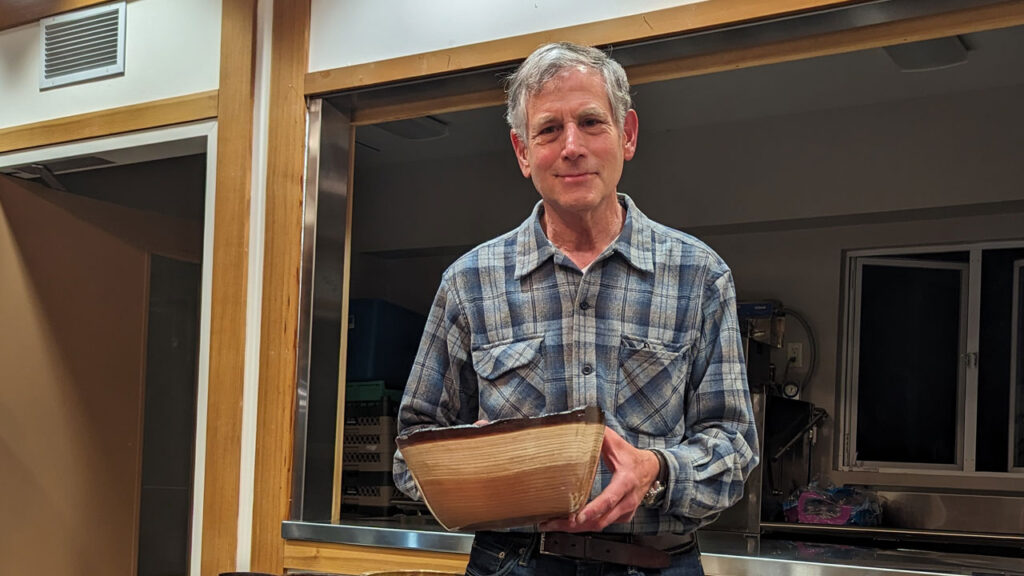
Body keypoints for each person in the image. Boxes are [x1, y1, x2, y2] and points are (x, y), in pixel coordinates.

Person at [393, 41, 759, 576]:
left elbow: (733, 448)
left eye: (591, 122)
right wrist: (485, 471)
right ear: (522, 151)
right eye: (548, 130)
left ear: (627, 134)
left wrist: (655, 471)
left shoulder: (699, 276)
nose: (571, 146)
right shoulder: (468, 284)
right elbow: (413, 453)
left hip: (656, 563)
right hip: (512, 563)